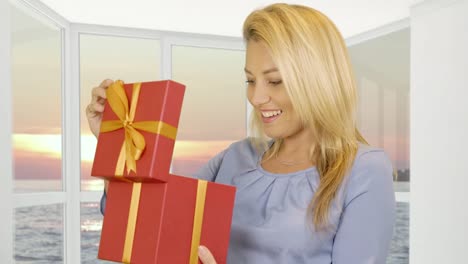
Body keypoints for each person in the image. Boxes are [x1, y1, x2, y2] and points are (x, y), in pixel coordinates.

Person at [86, 3, 395, 264]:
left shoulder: (363, 170)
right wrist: (114, 143)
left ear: (319, 80)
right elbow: (140, 223)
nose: (257, 97)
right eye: (250, 80)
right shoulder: (235, 158)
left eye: (274, 81)